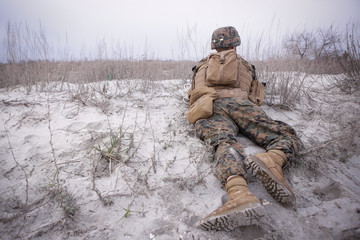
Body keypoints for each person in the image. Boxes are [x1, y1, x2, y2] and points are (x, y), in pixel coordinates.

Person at [186, 26, 302, 231]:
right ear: (235, 43)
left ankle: (239, 192)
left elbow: (191, 95)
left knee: (222, 142)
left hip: (209, 105)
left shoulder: (201, 66)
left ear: (214, 45)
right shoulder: (246, 66)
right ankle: (273, 158)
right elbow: (256, 98)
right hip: (242, 105)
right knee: (285, 134)